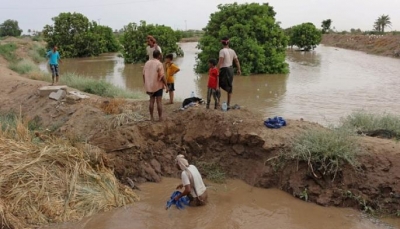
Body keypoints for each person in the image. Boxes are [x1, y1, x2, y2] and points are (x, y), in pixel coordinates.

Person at [143, 50, 168, 121]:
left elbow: (143, 74)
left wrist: (145, 84)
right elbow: (162, 76)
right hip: (158, 85)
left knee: (151, 101)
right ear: (159, 55)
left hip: (149, 86)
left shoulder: (147, 63)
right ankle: (160, 117)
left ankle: (151, 117)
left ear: (153, 55)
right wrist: (166, 86)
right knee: (159, 101)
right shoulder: (159, 64)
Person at [217, 37, 241, 109]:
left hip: (224, 70)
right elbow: (236, 61)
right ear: (228, 43)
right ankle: (228, 103)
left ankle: (218, 102)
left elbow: (220, 61)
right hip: (230, 70)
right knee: (230, 87)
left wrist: (216, 70)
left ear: (222, 43)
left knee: (218, 85)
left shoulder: (222, 51)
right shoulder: (232, 51)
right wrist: (239, 69)